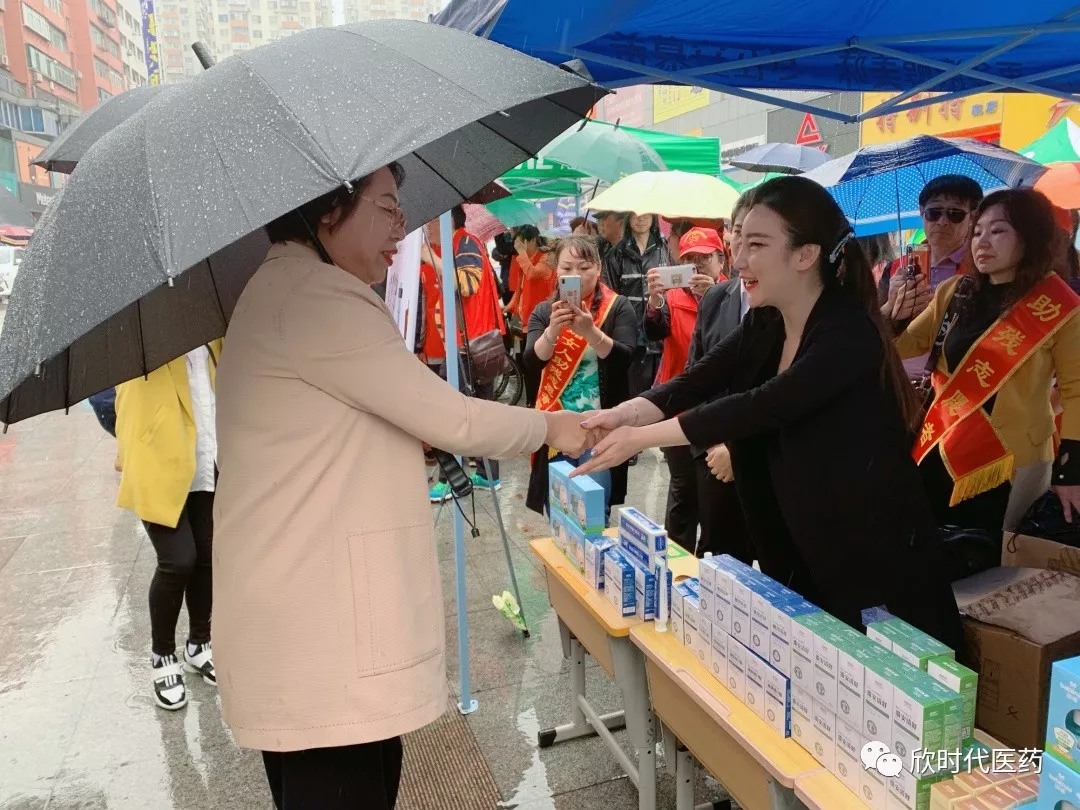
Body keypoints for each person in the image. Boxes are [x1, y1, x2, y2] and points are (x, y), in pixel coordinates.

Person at [212, 164, 589, 810]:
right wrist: (554, 425)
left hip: (305, 630)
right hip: (323, 644)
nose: (401, 225)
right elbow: (453, 418)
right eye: (386, 206)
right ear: (329, 209)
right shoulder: (317, 297)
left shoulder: (282, 286)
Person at [573, 176, 964, 650]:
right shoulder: (768, 318)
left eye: (757, 245)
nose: (738, 259)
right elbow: (699, 378)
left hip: (871, 557)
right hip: (797, 543)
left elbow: (762, 405)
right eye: (739, 241)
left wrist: (640, 438)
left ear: (805, 255)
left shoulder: (848, 332)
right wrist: (625, 414)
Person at [896, 188, 1080, 537]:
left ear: (1030, 237)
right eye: (977, 231)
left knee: (990, 554)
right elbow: (903, 345)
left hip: (1008, 458)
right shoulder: (955, 291)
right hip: (942, 443)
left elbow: (1076, 392)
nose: (982, 241)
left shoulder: (1058, 305)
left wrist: (1070, 471)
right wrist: (895, 312)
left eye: (997, 231)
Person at [114, 342, 221, 711]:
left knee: (206, 554)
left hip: (206, 454)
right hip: (157, 462)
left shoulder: (210, 331)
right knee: (178, 560)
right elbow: (124, 403)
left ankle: (199, 643)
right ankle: (163, 656)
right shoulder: (142, 335)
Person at [524, 234, 638, 519]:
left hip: (598, 430)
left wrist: (590, 332)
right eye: (567, 268)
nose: (575, 274)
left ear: (598, 268)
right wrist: (552, 331)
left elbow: (625, 358)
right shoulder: (544, 311)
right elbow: (531, 362)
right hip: (556, 427)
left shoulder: (618, 307)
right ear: (556, 271)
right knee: (558, 514)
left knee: (594, 514)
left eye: (584, 267)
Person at [643, 227, 726, 548]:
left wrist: (714, 298)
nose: (697, 266)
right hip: (678, 406)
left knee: (714, 494)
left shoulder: (736, 296)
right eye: (689, 259)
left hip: (719, 409)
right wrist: (654, 301)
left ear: (721, 260)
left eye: (704, 258)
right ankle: (678, 559)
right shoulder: (672, 297)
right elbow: (654, 332)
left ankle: (712, 560)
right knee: (682, 488)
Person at [685, 195, 755, 562]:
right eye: (739, 232)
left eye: (758, 238)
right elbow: (696, 377)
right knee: (719, 561)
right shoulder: (715, 298)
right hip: (713, 455)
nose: (745, 246)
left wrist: (737, 448)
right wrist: (713, 445)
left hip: (768, 459)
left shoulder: (793, 304)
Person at [427, 205, 508, 500]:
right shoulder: (461, 243)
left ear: (447, 219)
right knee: (480, 411)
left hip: (469, 346)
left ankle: (451, 479)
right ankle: (487, 475)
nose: (426, 229)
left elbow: (467, 284)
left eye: (430, 222)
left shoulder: (464, 242)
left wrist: (429, 258)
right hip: (474, 343)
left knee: (450, 411)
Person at [881, 175, 983, 379]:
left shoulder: (981, 268)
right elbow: (874, 325)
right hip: (899, 378)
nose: (943, 222)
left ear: (972, 217)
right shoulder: (896, 268)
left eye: (955, 214)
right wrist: (892, 307)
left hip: (956, 380)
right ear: (922, 212)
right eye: (934, 213)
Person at [603, 211, 673, 407]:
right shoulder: (615, 254)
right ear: (628, 218)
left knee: (662, 392)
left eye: (646, 215)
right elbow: (609, 296)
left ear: (653, 217)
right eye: (635, 215)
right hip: (629, 332)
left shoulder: (665, 250)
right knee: (633, 394)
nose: (640, 219)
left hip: (660, 330)